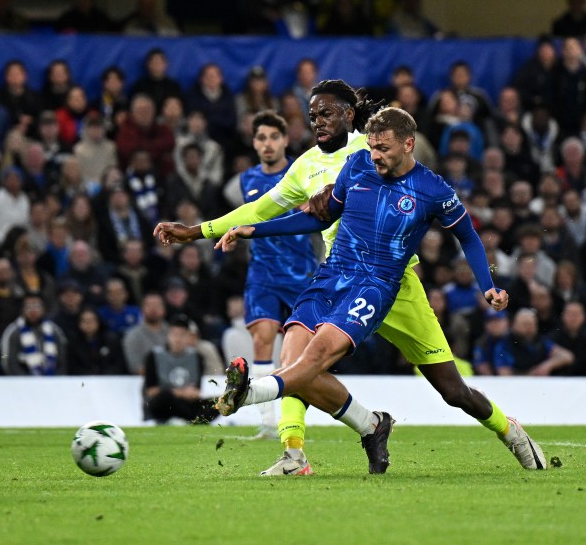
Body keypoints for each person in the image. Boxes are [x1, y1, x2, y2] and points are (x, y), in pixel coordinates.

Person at [154, 81, 545, 475]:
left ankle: (508, 430)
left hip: (393, 284)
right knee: (298, 354)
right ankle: (298, 451)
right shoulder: (310, 165)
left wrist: (488, 284)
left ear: (349, 115)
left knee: (452, 390)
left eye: (326, 114)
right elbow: (261, 210)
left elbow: (465, 233)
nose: (318, 123)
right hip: (337, 273)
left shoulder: (375, 151)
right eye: (312, 116)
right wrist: (200, 230)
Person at [237, 110, 318, 439]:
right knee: (262, 338)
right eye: (261, 138)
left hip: (301, 272)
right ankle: (267, 422)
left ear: (285, 140)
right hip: (263, 273)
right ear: (254, 144)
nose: (267, 144)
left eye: (273, 137)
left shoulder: (303, 173)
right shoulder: (248, 179)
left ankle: (291, 419)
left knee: (295, 353)